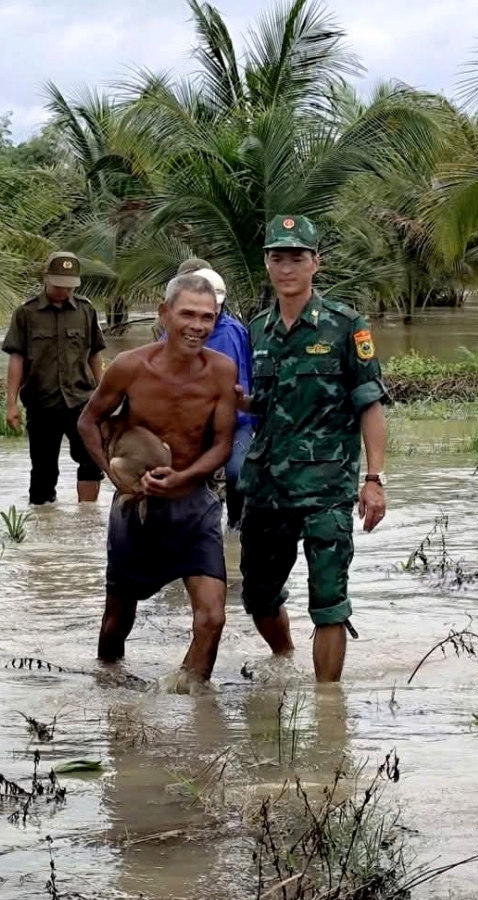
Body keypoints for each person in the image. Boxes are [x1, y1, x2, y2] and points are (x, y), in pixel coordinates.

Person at [238, 214, 388, 684]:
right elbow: (246, 405)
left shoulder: (345, 326)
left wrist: (374, 478)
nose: (287, 268)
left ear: (315, 262)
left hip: (327, 487)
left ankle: (329, 706)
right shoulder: (255, 331)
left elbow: (369, 403)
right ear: (266, 263)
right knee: (258, 596)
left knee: (329, 602)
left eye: (297, 258)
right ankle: (283, 661)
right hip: (266, 488)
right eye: (277, 257)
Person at [77, 273, 240, 690]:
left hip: (195, 505)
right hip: (138, 510)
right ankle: (110, 694)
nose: (197, 326)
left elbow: (222, 444)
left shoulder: (222, 371)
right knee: (118, 620)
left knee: (213, 616)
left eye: (208, 317)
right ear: (164, 313)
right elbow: (89, 421)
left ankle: (196, 707)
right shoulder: (131, 367)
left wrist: (184, 476)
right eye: (187, 314)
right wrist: (113, 475)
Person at [3, 251, 107, 505]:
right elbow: (16, 358)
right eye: (58, 284)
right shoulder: (26, 313)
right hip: (42, 402)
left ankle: (87, 522)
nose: (63, 290)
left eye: (69, 286)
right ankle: (43, 527)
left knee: (92, 462)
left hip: (81, 401)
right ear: (46, 277)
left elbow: (95, 354)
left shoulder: (85, 310)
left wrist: (103, 395)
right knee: (43, 472)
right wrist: (11, 404)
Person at [195, 268, 254, 529]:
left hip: (235, 422)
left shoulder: (235, 331)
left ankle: (236, 525)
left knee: (236, 473)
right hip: (195, 423)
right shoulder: (179, 331)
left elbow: (248, 375)